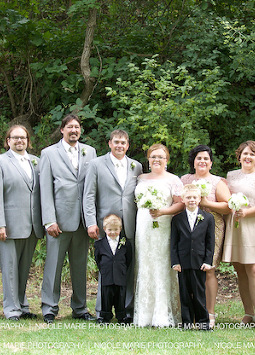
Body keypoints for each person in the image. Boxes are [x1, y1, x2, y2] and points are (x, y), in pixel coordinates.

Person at [39, 114, 97, 324]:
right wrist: (49, 220)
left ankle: (80, 308)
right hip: (59, 221)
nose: (74, 130)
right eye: (70, 127)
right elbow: (45, 189)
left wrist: (91, 219)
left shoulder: (89, 152)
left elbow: (91, 187)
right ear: (62, 129)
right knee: (53, 266)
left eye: (77, 127)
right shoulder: (48, 153)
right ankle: (49, 307)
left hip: (82, 220)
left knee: (80, 267)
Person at [83, 129, 142, 318]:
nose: (120, 145)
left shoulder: (136, 166)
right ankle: (103, 310)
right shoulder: (96, 164)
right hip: (106, 226)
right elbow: (89, 195)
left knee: (128, 267)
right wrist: (91, 222)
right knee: (106, 268)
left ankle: (127, 311)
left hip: (131, 226)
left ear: (128, 145)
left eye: (123, 143)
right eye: (116, 142)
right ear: (109, 143)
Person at [0, 125, 44, 320]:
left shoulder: (36, 162)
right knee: (10, 270)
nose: (20, 141)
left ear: (28, 141)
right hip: (8, 226)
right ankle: (11, 309)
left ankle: (23, 305)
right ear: (8, 141)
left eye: (23, 138)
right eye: (15, 138)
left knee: (23, 269)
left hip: (31, 226)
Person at [223, 140, 255, 330]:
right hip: (236, 227)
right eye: (245, 154)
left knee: (254, 269)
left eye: (252, 154)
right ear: (239, 157)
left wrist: (246, 212)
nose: (248, 157)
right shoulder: (230, 176)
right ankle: (248, 313)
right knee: (240, 270)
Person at [132, 143, 184, 327]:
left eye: (161, 157)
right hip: (143, 227)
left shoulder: (173, 180)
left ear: (167, 160)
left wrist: (163, 212)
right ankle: (144, 314)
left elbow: (180, 204)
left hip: (163, 226)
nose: (157, 160)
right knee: (144, 264)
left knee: (161, 265)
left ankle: (162, 314)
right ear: (148, 159)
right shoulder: (140, 178)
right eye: (153, 156)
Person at [180, 145, 231, 329]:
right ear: (193, 162)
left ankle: (209, 312)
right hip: (188, 229)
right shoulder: (185, 180)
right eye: (198, 158)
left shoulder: (218, 182)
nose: (202, 161)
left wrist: (208, 203)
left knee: (207, 268)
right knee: (189, 269)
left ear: (211, 163)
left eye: (205, 159)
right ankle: (191, 313)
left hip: (211, 227)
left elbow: (228, 206)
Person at [171, 184, 215, 330]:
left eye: (194, 197)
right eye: (188, 197)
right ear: (183, 199)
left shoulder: (208, 218)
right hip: (183, 262)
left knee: (199, 293)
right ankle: (187, 322)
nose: (191, 200)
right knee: (184, 293)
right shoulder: (177, 219)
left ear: (200, 199)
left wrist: (208, 261)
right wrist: (175, 261)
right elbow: (174, 242)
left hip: (199, 262)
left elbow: (210, 242)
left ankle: (203, 321)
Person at [93, 214, 133, 324]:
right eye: (110, 230)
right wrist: (104, 269)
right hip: (107, 275)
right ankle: (105, 316)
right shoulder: (100, 244)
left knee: (120, 297)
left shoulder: (125, 244)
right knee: (106, 296)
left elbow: (128, 258)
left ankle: (121, 316)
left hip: (120, 275)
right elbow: (97, 258)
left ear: (120, 229)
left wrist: (122, 269)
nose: (113, 232)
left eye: (116, 230)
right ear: (104, 229)